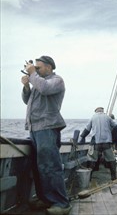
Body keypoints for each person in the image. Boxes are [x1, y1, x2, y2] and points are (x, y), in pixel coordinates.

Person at [21, 56, 71, 215]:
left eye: (38, 68)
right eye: (34, 68)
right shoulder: (38, 82)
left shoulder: (56, 80)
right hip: (35, 129)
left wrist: (32, 75)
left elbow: (45, 89)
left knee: (50, 166)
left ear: (49, 67)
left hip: (47, 128)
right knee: (39, 168)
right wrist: (26, 86)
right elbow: (27, 100)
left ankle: (61, 204)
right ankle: (45, 199)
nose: (35, 70)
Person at [80, 107, 117, 180]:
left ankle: (89, 177)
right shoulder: (108, 117)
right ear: (102, 111)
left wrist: (82, 137)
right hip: (107, 143)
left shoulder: (93, 117)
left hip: (96, 143)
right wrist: (112, 136)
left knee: (92, 158)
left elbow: (87, 129)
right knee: (111, 159)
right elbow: (116, 126)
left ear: (96, 111)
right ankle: (113, 177)